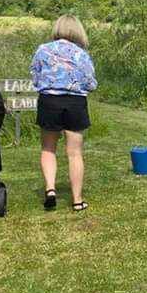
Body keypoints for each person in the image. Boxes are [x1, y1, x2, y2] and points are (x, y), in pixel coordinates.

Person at [30, 15, 97, 212]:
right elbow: (91, 83)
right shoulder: (81, 54)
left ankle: (50, 189)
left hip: (49, 101)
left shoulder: (43, 50)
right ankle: (77, 200)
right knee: (74, 153)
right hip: (75, 103)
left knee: (48, 148)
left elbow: (35, 77)